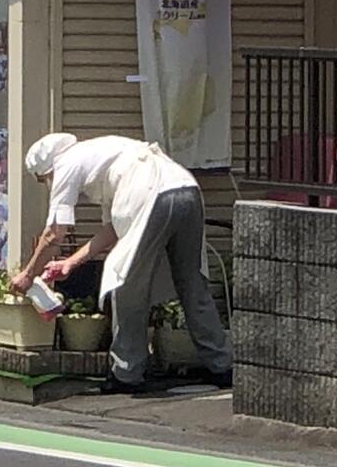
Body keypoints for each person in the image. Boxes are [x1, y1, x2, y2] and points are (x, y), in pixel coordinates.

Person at [17, 132, 232, 395]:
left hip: (151, 196)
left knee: (125, 285)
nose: (47, 184)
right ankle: (222, 365)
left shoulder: (65, 165)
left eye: (43, 180)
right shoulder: (101, 151)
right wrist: (71, 262)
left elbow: (54, 233)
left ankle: (127, 373)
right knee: (192, 283)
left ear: (46, 170)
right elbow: (112, 230)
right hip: (186, 188)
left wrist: (29, 274)